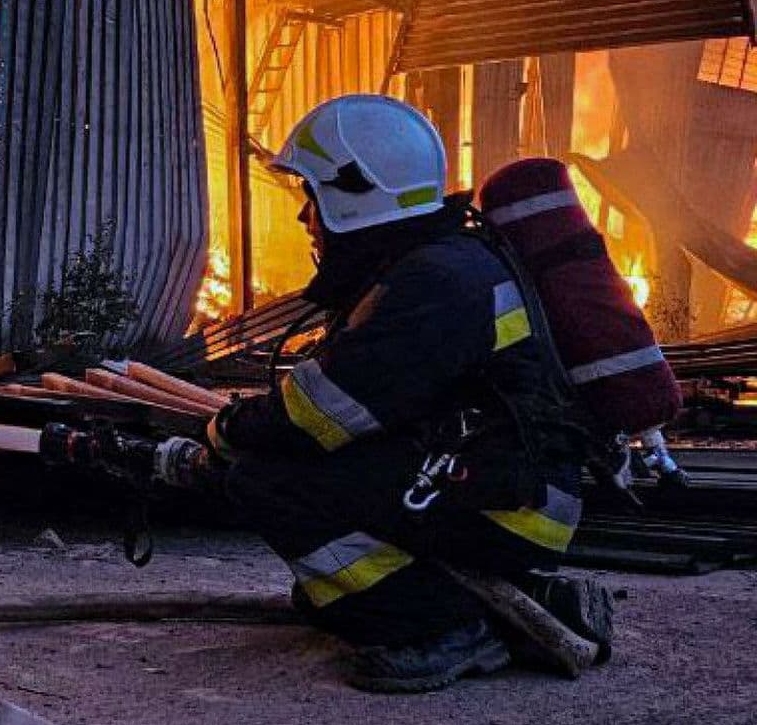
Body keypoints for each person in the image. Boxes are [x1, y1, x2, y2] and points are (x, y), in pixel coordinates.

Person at [206, 94, 613, 693]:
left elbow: (317, 417)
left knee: (267, 478)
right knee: (320, 512)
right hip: (502, 477)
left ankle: (434, 626)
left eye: (311, 197)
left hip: (516, 503)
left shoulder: (433, 284)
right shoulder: (440, 263)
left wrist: (228, 428)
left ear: (352, 194)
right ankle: (484, 599)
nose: (305, 219)